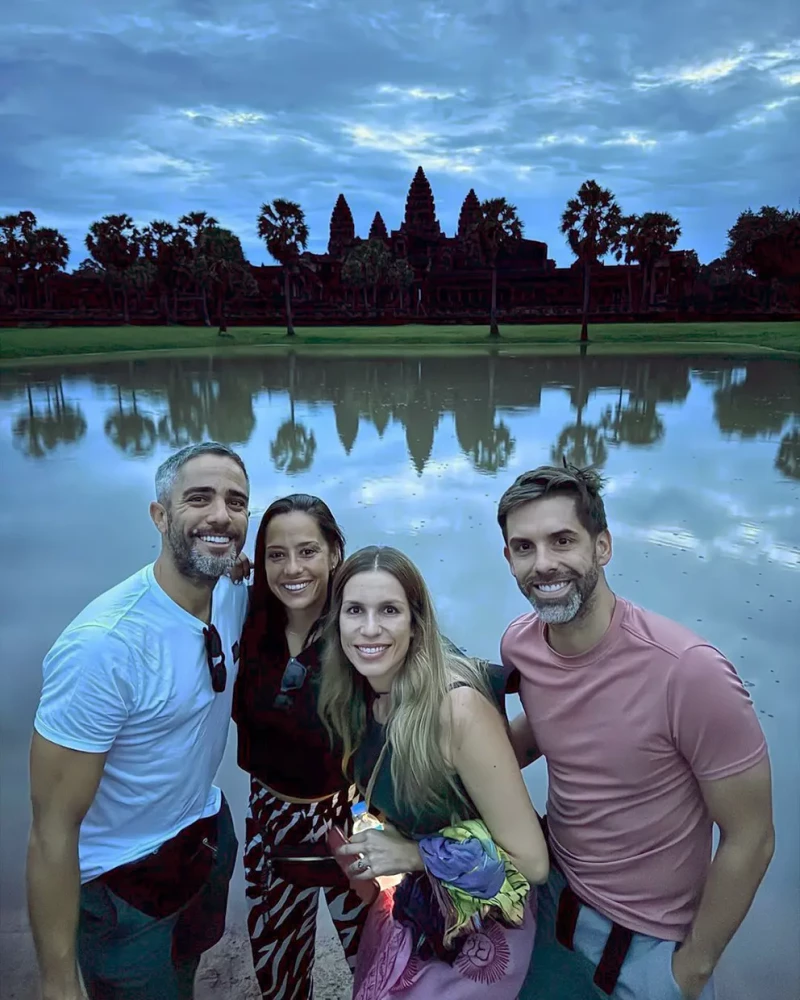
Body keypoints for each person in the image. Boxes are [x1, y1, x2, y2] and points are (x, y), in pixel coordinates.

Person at [496, 464, 774, 1000]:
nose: (544, 563)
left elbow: (752, 837)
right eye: (524, 547)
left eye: (562, 540)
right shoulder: (521, 647)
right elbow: (549, 724)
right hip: (555, 904)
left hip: (650, 950)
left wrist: (689, 971)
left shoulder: (689, 673)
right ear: (508, 558)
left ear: (602, 546)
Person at [27, 441, 252, 1000]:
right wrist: (58, 982)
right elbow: (52, 830)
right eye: (199, 498)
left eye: (236, 501)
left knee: (185, 974)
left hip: (204, 839)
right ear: (159, 515)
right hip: (125, 886)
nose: (220, 514)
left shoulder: (229, 591)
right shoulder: (102, 648)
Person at [318, 545, 550, 999]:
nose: (369, 629)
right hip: (428, 903)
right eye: (354, 611)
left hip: (491, 918)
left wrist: (413, 854)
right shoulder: (356, 696)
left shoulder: (455, 711)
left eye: (389, 610)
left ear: (416, 623)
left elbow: (532, 862)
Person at [232, 494, 370, 999]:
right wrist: (225, 570)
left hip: (352, 817)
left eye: (308, 551)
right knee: (281, 978)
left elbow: (433, 670)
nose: (292, 568)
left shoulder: (360, 625)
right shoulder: (244, 620)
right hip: (270, 821)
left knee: (380, 969)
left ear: (335, 552)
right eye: (275, 554)